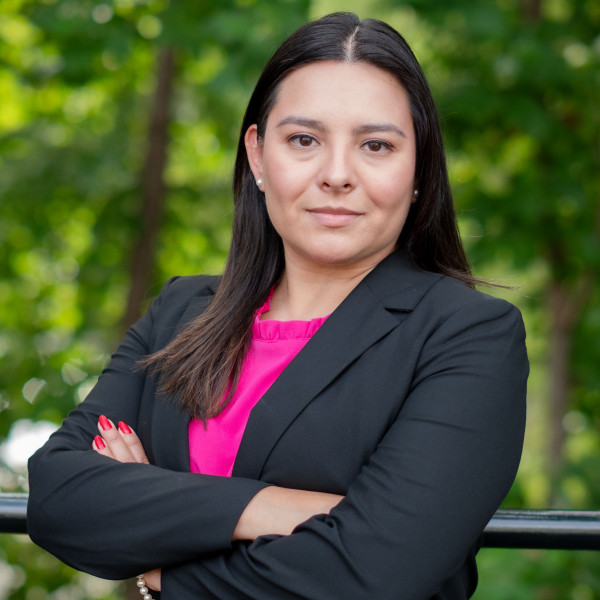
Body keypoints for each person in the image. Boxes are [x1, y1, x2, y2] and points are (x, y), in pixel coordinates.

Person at [27, 12, 528, 600]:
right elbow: (60, 497)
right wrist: (280, 511)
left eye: (376, 145)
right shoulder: (180, 312)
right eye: (304, 140)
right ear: (259, 157)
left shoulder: (468, 335)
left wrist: (167, 563)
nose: (337, 175)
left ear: (418, 169)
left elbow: (374, 573)